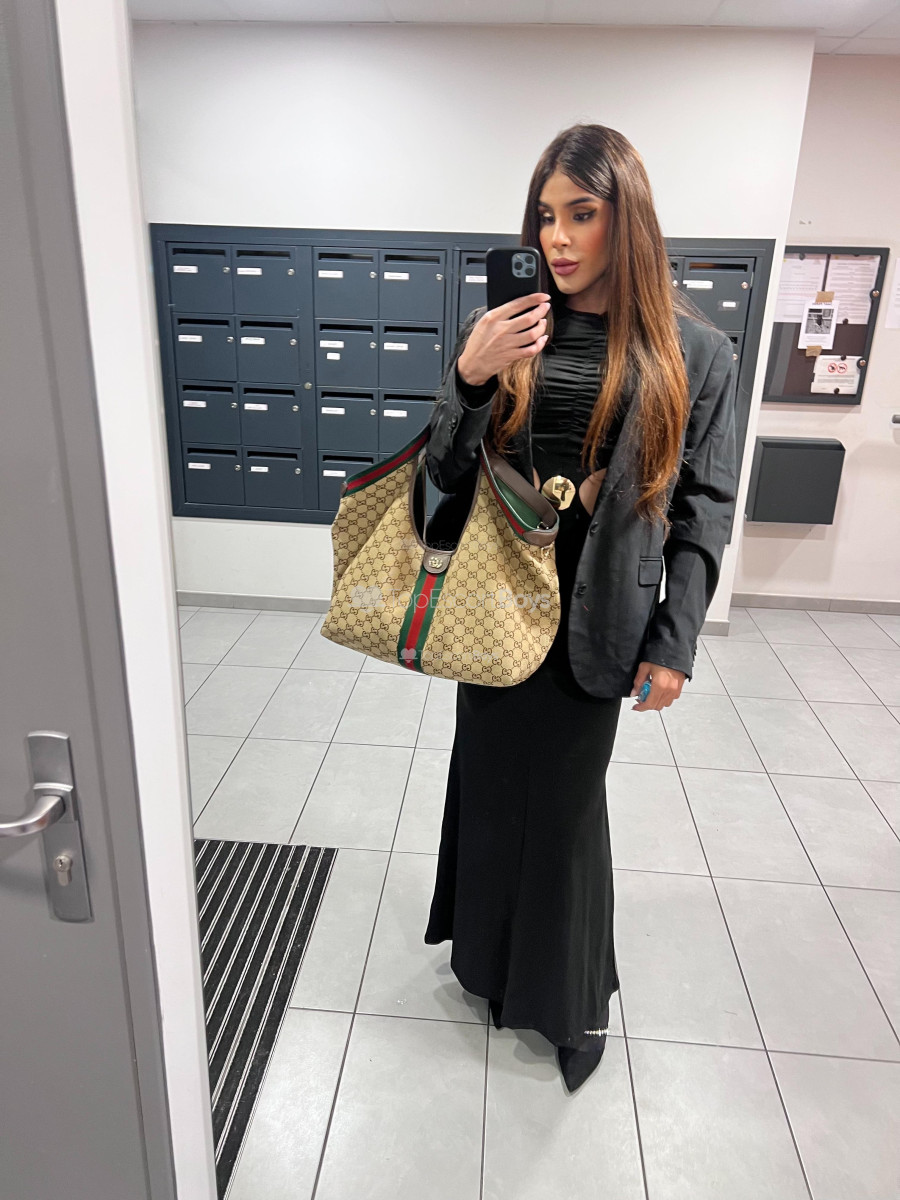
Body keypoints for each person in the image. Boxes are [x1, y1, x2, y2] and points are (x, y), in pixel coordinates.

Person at [422, 123, 738, 1093]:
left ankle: (569, 1003)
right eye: (546, 216)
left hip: (595, 618)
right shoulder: (509, 330)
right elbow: (443, 475)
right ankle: (488, 967)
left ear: (624, 218)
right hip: (499, 606)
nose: (557, 238)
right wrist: (471, 376)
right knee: (488, 786)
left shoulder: (695, 352)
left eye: (582, 214)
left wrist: (675, 640)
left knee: (563, 813)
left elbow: (704, 509)